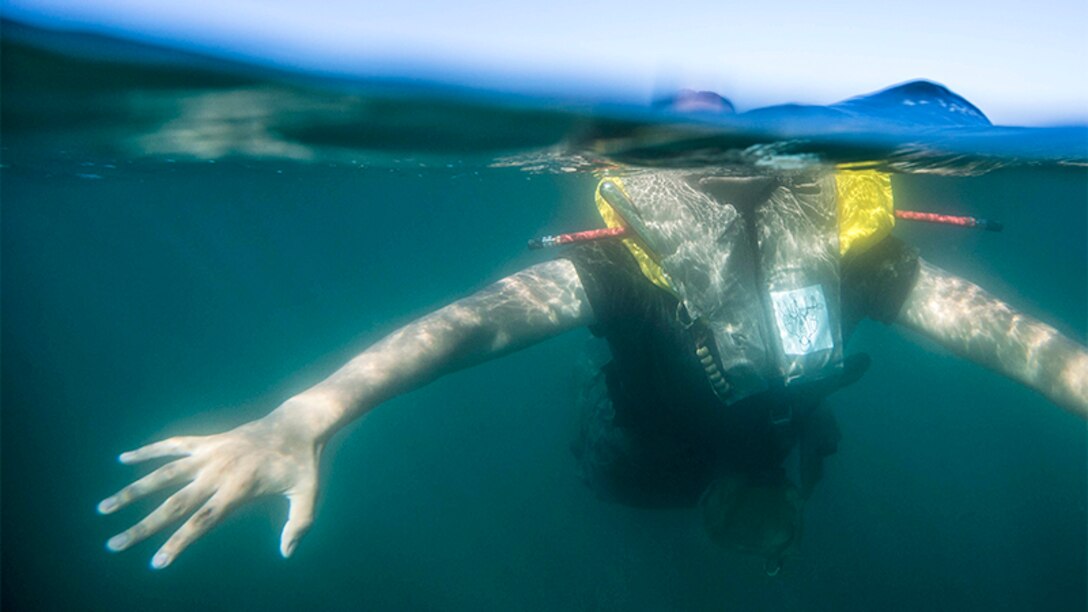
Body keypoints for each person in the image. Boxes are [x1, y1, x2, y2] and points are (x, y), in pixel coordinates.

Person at [97, 88, 1088, 574]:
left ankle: (764, 490)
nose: (711, 170)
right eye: (674, 146)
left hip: (775, 412)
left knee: (779, 450)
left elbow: (1007, 337)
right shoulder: (616, 265)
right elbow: (466, 326)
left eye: (724, 145)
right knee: (639, 485)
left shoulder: (848, 253)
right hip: (653, 433)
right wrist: (307, 414)